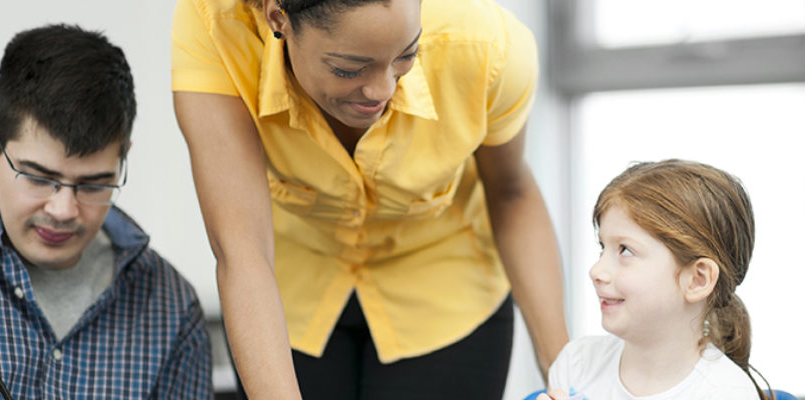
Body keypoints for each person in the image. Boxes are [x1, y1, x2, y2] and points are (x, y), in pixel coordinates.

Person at [170, 0, 568, 398]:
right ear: (278, 18)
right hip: (292, 295)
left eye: (406, 54)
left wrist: (565, 375)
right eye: (349, 68)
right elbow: (242, 247)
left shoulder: (488, 45)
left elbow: (511, 193)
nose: (383, 90)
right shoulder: (216, 26)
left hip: (447, 294)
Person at [0, 24, 211, 398]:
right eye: (38, 178)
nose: (64, 210)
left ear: (122, 160)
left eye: (94, 185)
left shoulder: (171, 308)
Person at [541, 160, 769, 400]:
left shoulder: (728, 393)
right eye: (602, 247)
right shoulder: (577, 364)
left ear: (697, 280)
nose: (596, 270)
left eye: (625, 250)